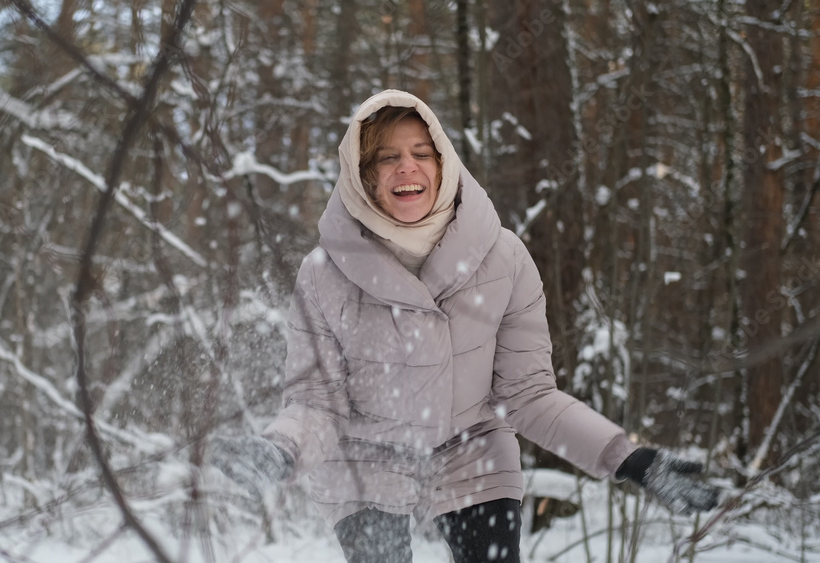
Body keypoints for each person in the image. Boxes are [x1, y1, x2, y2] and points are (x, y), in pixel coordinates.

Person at [208, 90, 719, 563]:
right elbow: (318, 402)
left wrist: (633, 461)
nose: (407, 167)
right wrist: (278, 450)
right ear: (362, 174)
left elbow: (530, 396)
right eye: (387, 156)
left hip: (471, 447)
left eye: (421, 152)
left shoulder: (503, 258)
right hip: (366, 458)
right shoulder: (324, 273)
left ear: (443, 161)